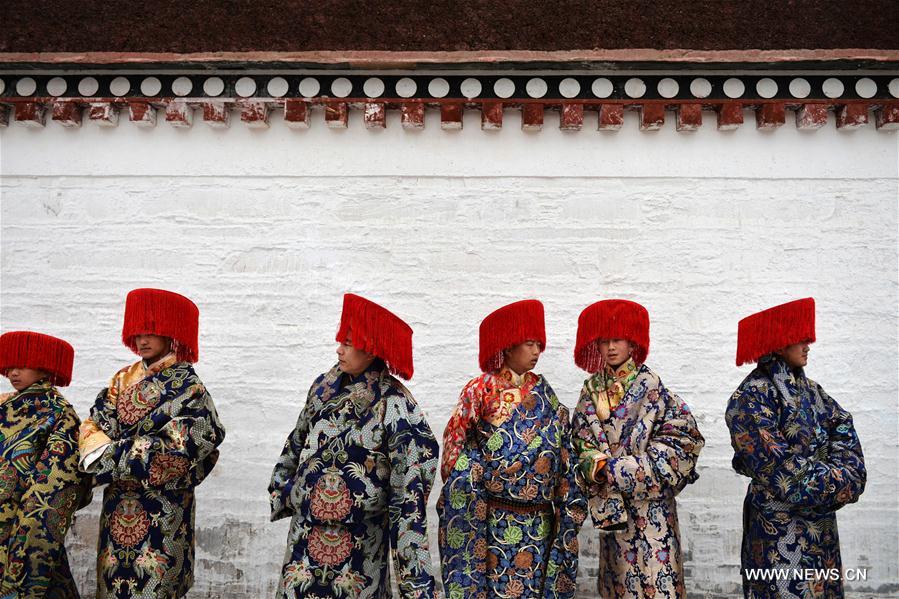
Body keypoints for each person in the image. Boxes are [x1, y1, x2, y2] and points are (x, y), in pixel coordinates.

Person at [269, 293, 439, 599]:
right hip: (305, 539)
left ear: (372, 348)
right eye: (340, 340)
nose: (339, 349)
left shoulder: (396, 405)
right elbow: (297, 440)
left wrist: (415, 580)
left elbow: (410, 487)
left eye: (348, 342)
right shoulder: (323, 387)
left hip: (360, 546)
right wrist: (288, 489)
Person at [78, 288, 225, 598]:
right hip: (118, 505)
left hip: (163, 507)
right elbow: (95, 425)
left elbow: (188, 444)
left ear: (172, 334)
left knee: (155, 587)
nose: (143, 340)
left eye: (152, 331)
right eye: (138, 331)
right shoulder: (121, 379)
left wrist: (113, 453)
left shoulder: (189, 387)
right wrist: (125, 448)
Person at [438, 299, 586, 599]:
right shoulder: (480, 390)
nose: (536, 352)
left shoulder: (545, 395)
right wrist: (474, 477)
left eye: (538, 345)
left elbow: (563, 452)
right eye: (529, 344)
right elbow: (455, 448)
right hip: (491, 523)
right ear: (507, 346)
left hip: (539, 524)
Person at [726, 297, 865, 598]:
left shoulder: (814, 392)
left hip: (822, 529)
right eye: (800, 339)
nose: (808, 345)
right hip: (777, 530)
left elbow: (844, 431)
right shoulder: (750, 398)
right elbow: (782, 472)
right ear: (778, 342)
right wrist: (841, 480)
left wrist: (847, 476)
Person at [571, 299, 703, 599]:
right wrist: (592, 462)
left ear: (633, 343)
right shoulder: (591, 392)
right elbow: (580, 441)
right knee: (618, 585)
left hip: (653, 511)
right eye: (604, 341)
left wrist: (615, 469)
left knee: (659, 585)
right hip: (614, 517)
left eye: (617, 339)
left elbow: (681, 447)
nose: (611, 348)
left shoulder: (655, 390)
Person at [0, 331, 91, 598]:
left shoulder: (60, 416)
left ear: (44, 367)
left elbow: (53, 491)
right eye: (9, 366)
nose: (13, 373)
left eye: (22, 365)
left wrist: (24, 550)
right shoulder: (4, 405)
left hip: (23, 531)